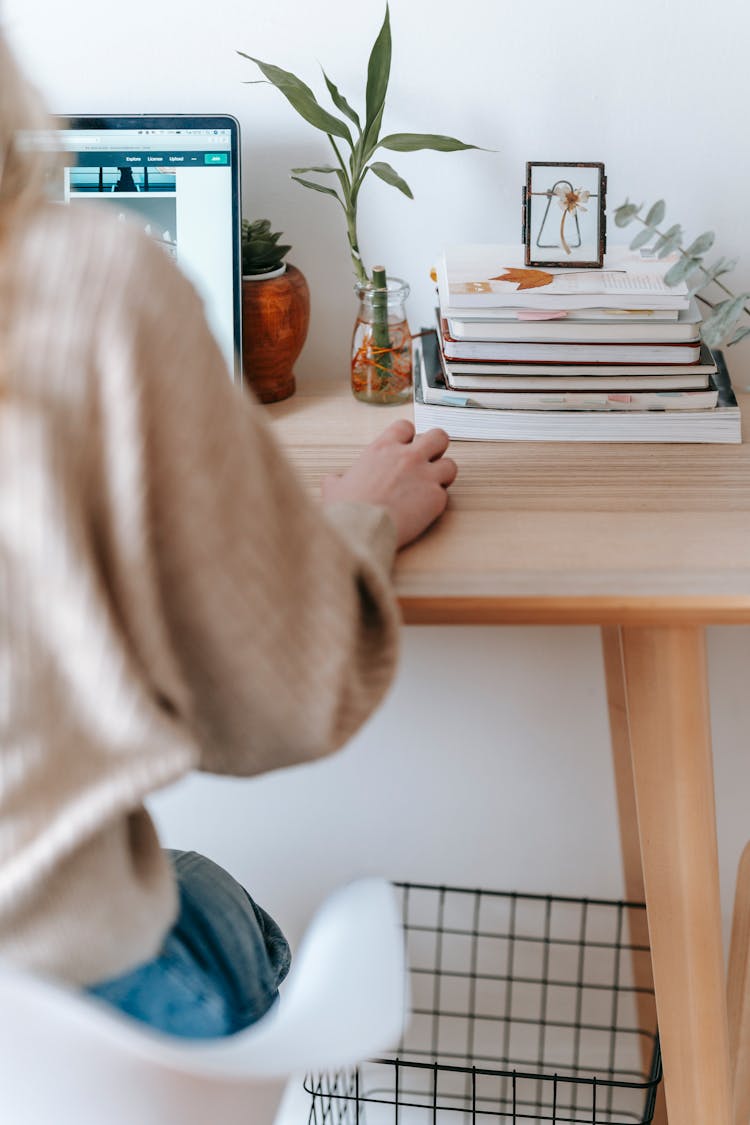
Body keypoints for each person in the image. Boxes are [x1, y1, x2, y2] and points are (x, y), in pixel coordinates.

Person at [0, 28, 457, 1038]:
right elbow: (280, 700)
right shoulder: (88, 285)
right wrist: (360, 515)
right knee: (221, 909)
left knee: (194, 881)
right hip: (58, 1003)